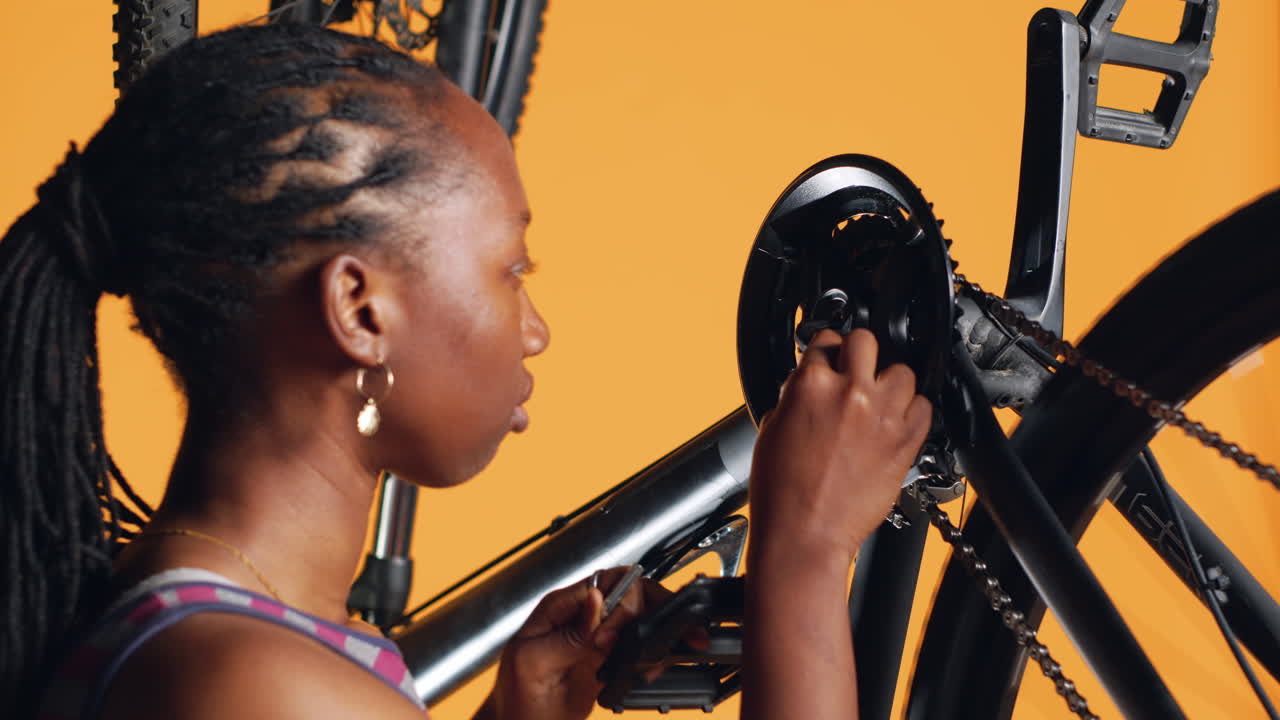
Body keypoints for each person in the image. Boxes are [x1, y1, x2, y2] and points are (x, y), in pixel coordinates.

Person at [0, 22, 931, 720]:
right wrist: (803, 559)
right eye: (511, 270)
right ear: (360, 312)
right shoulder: (253, 684)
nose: (535, 331)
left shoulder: (247, 642)